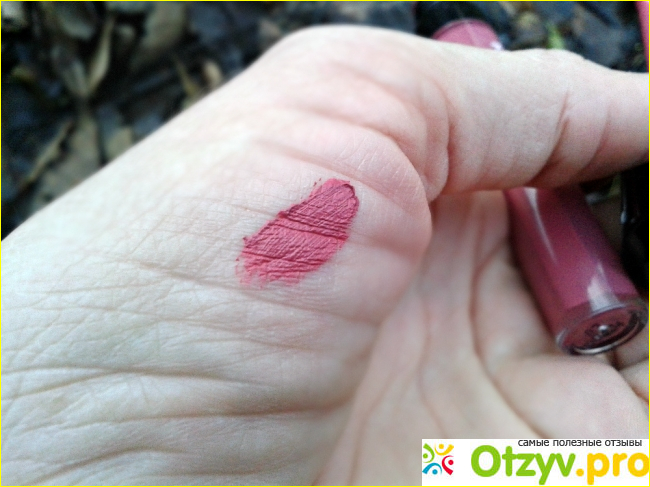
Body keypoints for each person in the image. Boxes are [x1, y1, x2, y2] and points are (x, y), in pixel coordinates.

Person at [2, 26, 648, 485]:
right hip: (458, 439)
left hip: (451, 447)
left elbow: (446, 468)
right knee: (623, 462)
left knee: (625, 463)